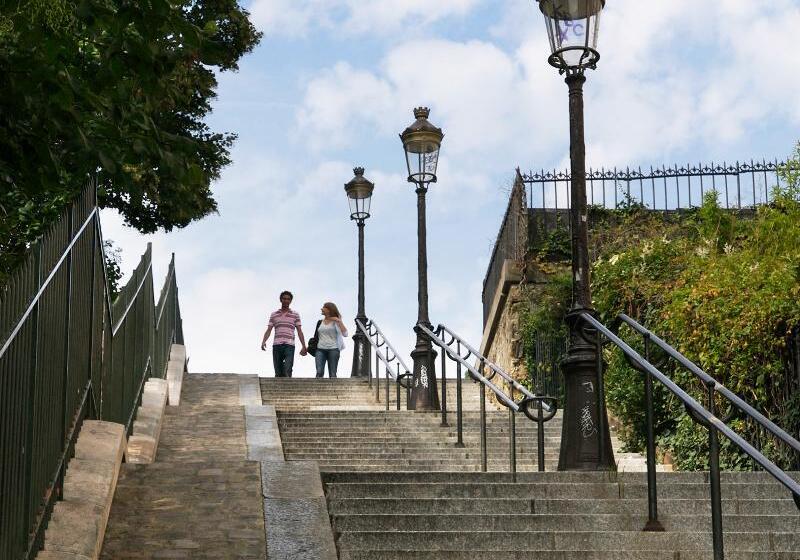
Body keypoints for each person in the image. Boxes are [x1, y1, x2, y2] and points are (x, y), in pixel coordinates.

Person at [261, 291, 307, 377]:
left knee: (287, 369)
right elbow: (269, 330)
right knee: (278, 372)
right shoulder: (274, 314)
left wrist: (304, 346)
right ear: (281, 300)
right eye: (284, 299)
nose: (286, 300)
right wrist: (264, 341)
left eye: (288, 299)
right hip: (277, 345)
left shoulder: (295, 315)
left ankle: (288, 386)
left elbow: (299, 331)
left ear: (290, 301)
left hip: (289, 345)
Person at [314, 302, 348, 378]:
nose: (321, 308)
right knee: (319, 372)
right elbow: (316, 336)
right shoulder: (320, 322)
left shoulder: (336, 322)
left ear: (329, 310)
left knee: (332, 374)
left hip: (333, 349)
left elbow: (345, 334)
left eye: (324, 307)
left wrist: (339, 321)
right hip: (320, 349)